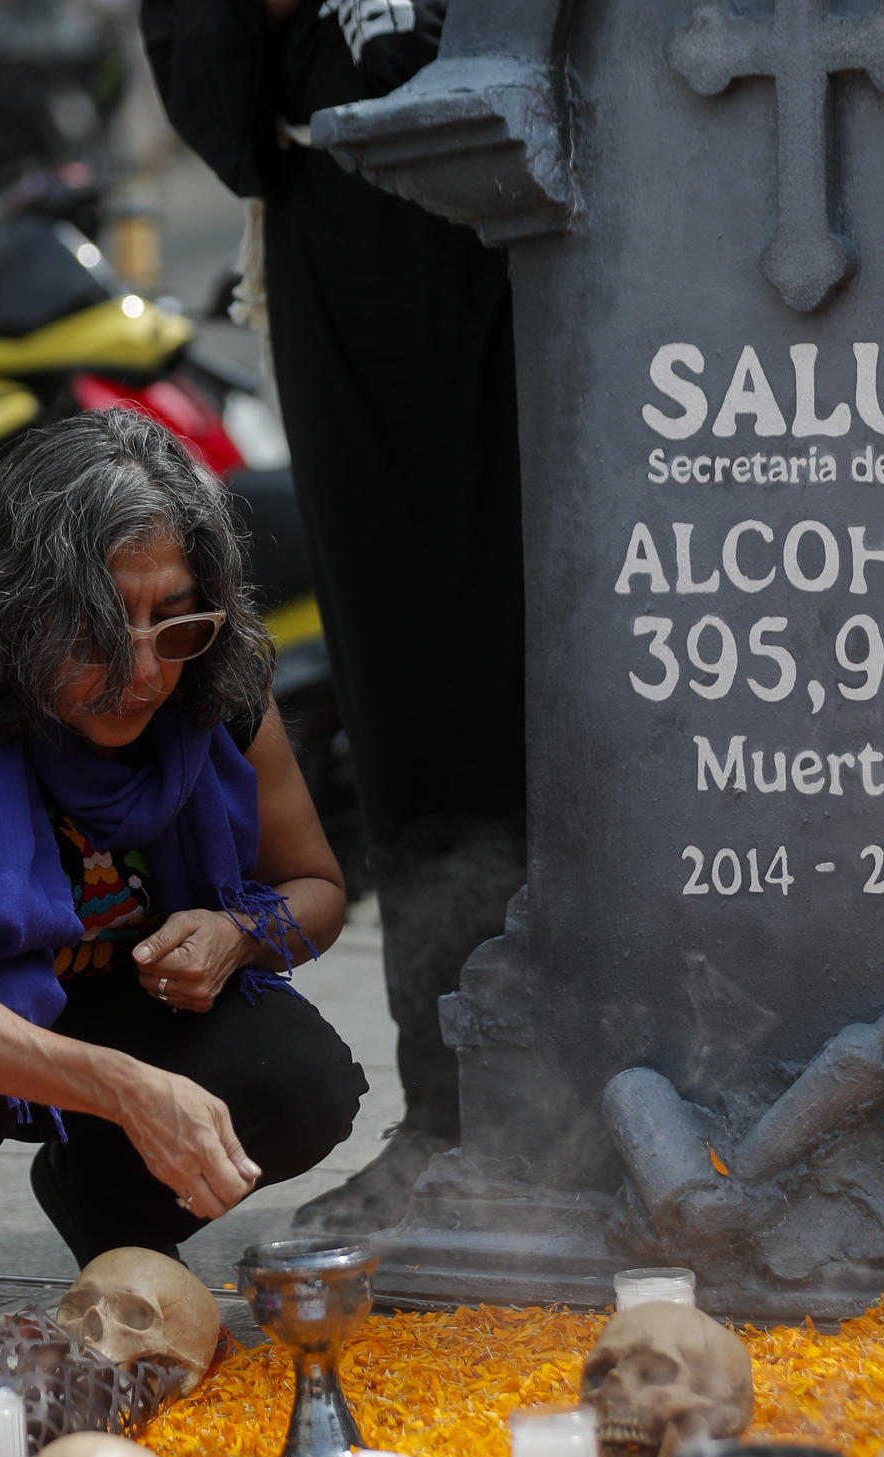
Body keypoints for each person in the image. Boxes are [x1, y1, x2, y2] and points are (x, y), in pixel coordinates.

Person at [0, 408, 367, 1401]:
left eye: (173, 623)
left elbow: (318, 890)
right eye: (93, 632)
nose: (140, 672)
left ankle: (108, 1207)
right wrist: (129, 1090)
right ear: (13, 613)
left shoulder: (212, 681)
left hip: (113, 996)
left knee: (300, 1082)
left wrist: (234, 934)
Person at [141, 0, 526, 1234]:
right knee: (421, 685)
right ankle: (464, 1109)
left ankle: (675, 1080)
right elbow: (222, 105)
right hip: (361, 256)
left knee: (638, 660)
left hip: (602, 224)